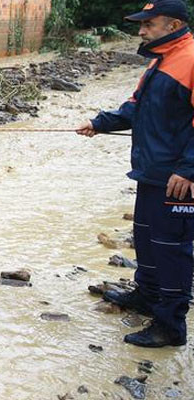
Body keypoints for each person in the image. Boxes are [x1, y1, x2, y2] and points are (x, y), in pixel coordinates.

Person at [76, 0, 193, 348]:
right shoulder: (162, 61)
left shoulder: (189, 60)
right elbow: (136, 108)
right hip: (151, 173)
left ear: (172, 26)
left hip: (178, 178)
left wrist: (189, 169)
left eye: (149, 24)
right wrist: (100, 123)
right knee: (146, 239)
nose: (141, 31)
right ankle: (147, 297)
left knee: (172, 250)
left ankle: (171, 327)